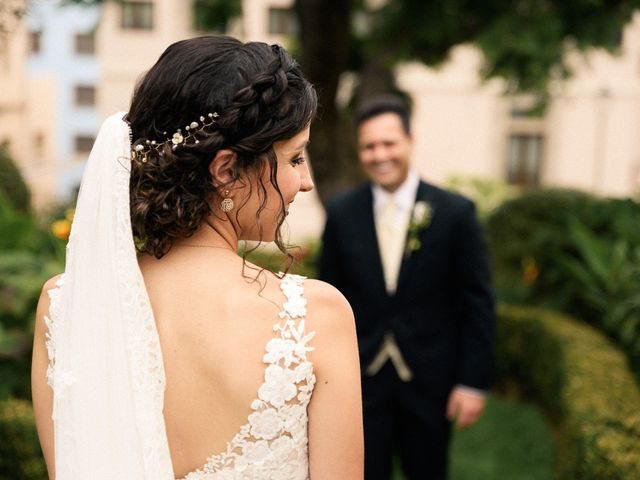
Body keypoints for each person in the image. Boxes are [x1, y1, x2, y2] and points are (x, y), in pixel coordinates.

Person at [31, 35, 363, 480]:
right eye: (295, 158)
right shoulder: (317, 317)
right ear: (225, 169)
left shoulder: (65, 306)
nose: (306, 182)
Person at [319, 95, 495, 480]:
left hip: (432, 380)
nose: (379, 155)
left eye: (388, 143)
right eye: (369, 146)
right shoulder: (341, 212)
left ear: (410, 142)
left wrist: (472, 382)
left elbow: (476, 302)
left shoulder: (455, 213)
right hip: (362, 383)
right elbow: (329, 298)